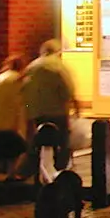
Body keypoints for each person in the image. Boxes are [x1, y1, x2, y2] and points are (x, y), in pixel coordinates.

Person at [18, 39, 79, 182]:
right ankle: (61, 171)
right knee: (62, 141)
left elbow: (24, 90)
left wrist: (28, 111)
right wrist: (74, 107)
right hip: (56, 111)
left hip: (38, 111)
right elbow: (67, 90)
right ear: (58, 52)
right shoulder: (58, 66)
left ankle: (29, 171)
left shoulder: (32, 66)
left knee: (40, 141)